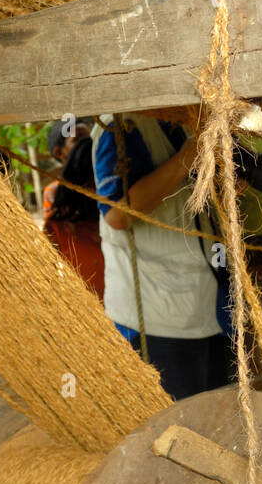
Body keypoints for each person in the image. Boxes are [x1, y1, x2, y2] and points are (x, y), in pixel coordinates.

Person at [92, 107, 231, 400]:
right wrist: (184, 160)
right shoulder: (119, 128)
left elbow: (181, 201)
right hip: (156, 321)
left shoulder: (179, 126)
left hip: (206, 310)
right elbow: (117, 215)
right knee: (173, 432)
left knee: (217, 426)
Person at [42, 118, 105, 298]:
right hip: (88, 290)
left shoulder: (110, 183)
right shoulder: (55, 195)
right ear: (60, 153)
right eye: (78, 140)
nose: (89, 144)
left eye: (90, 137)